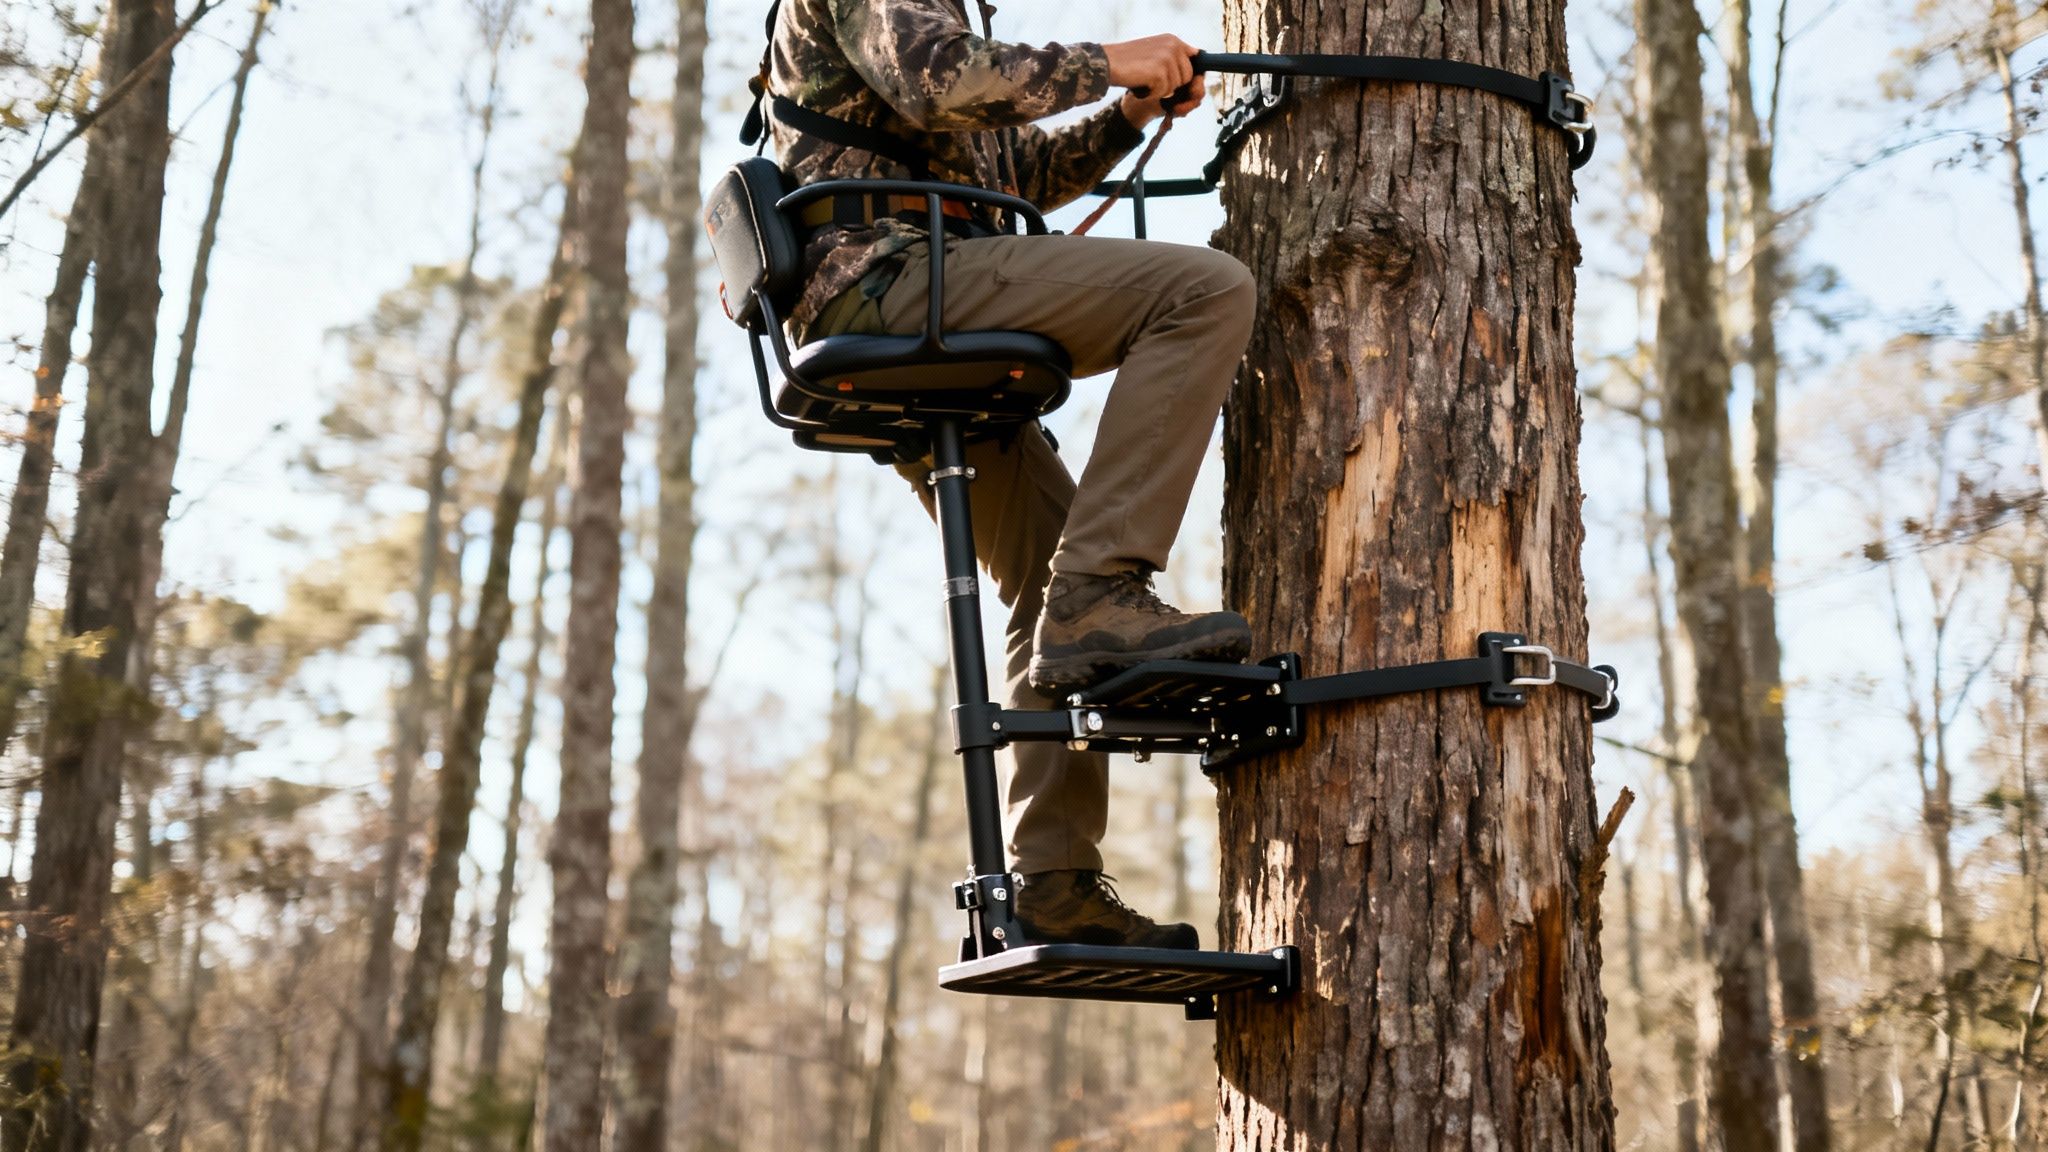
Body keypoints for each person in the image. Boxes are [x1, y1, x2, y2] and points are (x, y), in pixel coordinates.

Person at [766, 0, 1257, 950]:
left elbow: (1011, 169)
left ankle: (1052, 883)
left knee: (1045, 576)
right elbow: (946, 81)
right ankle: (1107, 590)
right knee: (1206, 289)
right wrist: (1115, 59)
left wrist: (1124, 116)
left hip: (907, 309)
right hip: (893, 283)